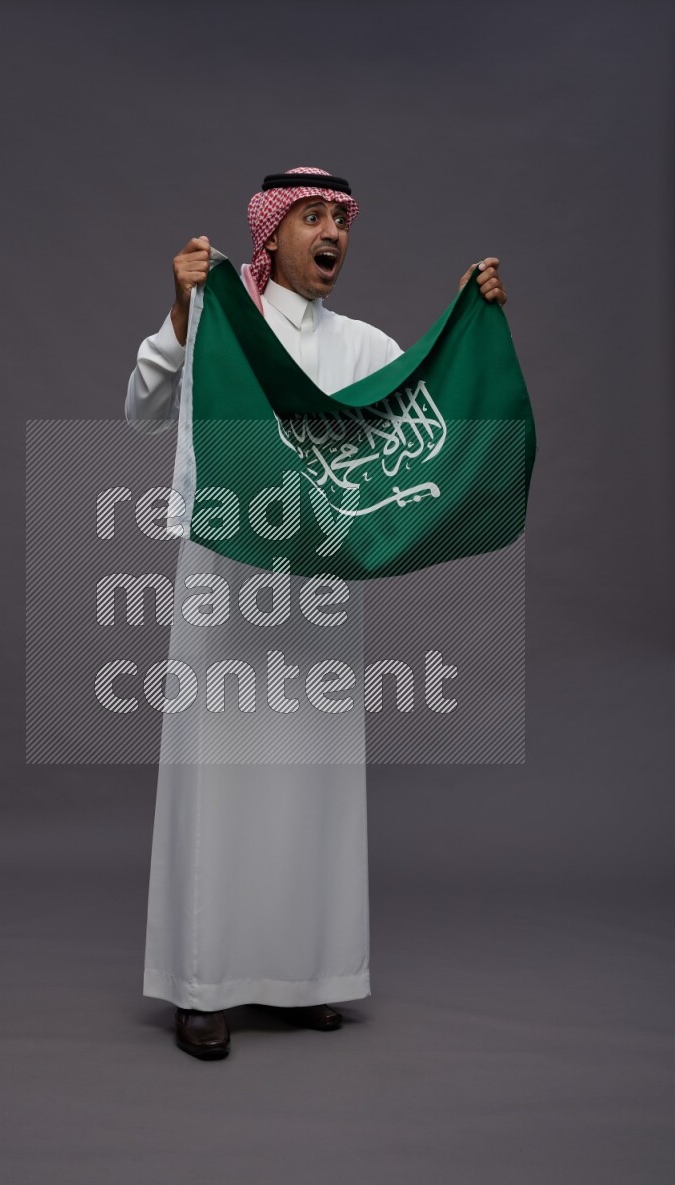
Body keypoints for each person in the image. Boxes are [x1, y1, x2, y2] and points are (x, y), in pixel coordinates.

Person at [125, 167, 506, 1060]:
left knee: (311, 786)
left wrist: (466, 320)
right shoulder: (223, 324)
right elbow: (141, 409)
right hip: (226, 583)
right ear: (270, 233)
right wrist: (179, 315)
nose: (332, 232)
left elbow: (429, 412)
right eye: (311, 216)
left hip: (318, 596)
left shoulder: (363, 345)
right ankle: (202, 986)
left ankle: (304, 980)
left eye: (341, 217)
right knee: (221, 785)